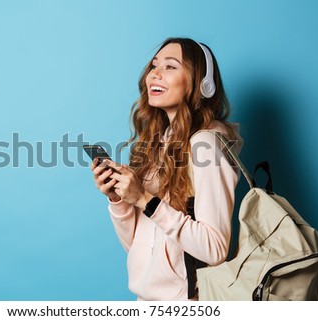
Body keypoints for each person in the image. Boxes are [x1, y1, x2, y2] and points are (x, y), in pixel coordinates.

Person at [90, 37, 242, 300]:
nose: (154, 75)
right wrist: (118, 200)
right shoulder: (157, 142)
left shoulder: (205, 145)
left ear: (202, 85)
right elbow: (138, 249)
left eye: (170, 67)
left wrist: (145, 199)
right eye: (153, 66)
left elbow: (215, 250)